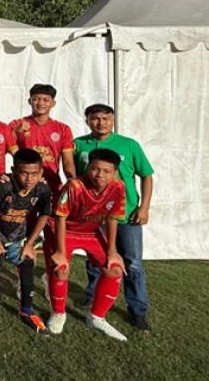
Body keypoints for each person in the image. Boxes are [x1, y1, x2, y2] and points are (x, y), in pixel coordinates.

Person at [75, 104, 154, 331]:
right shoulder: (79, 145)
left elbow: (147, 175)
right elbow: (75, 176)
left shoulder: (129, 145)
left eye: (106, 118)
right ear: (87, 120)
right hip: (94, 216)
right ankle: (93, 297)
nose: (101, 123)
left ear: (113, 120)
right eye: (95, 118)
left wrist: (144, 207)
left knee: (132, 262)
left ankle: (137, 310)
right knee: (95, 259)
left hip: (126, 215)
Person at [45, 148, 128, 341]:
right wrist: (60, 252)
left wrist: (112, 251)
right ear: (88, 167)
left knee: (114, 269)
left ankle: (96, 317)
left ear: (115, 172)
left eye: (106, 171)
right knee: (60, 269)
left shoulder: (118, 187)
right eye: (95, 169)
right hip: (65, 230)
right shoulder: (74, 186)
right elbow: (60, 217)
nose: (100, 174)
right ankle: (58, 313)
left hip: (91, 232)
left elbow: (113, 218)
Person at [0, 148, 52, 337]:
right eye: (24, 173)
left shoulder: (43, 188)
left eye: (34, 174)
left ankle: (27, 311)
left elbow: (45, 214)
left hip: (19, 235)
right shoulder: (3, 186)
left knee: (27, 263)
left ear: (41, 172)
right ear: (13, 171)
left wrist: (30, 243)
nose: (29, 179)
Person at [9, 84, 75, 193]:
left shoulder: (63, 129)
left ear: (53, 103)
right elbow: (2, 148)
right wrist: (14, 132)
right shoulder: (17, 124)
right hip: (23, 185)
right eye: (36, 99)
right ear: (29, 101)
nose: (40, 103)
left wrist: (71, 180)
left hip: (52, 184)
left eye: (46, 100)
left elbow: (68, 161)